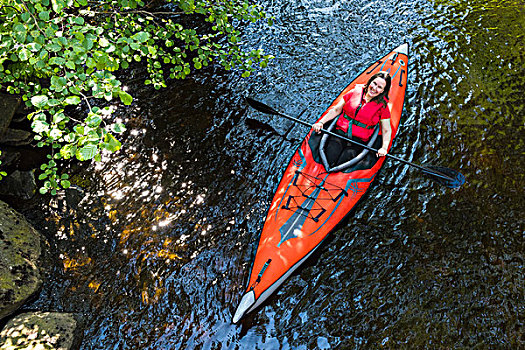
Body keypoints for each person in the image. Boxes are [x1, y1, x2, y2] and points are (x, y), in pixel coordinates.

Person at [312, 72, 392, 167]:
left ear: (383, 91)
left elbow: (386, 130)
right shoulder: (354, 92)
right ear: (370, 82)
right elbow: (337, 110)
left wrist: (384, 148)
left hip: (358, 142)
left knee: (342, 163)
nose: (374, 88)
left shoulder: (382, 107)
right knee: (330, 160)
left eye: (379, 87)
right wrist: (321, 122)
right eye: (374, 83)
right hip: (339, 134)